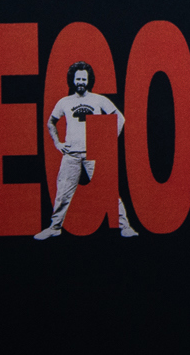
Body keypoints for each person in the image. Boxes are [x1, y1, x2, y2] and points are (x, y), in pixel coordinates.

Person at [34, 60, 139, 239]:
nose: (81, 82)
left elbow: (119, 118)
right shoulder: (64, 102)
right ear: (72, 80)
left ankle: (125, 227)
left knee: (109, 191)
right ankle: (54, 227)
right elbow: (51, 122)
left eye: (84, 79)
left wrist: (106, 142)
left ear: (88, 80)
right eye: (78, 79)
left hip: (94, 155)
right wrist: (58, 144)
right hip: (71, 155)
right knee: (62, 193)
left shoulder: (98, 100)